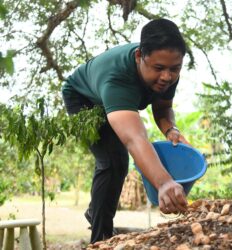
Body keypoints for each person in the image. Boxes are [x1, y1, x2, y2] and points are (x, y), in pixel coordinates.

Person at [61, 18, 190, 243]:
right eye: (159, 68)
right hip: (83, 99)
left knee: (117, 161)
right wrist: (165, 183)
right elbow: (134, 138)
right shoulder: (117, 78)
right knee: (113, 160)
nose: (167, 77)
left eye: (175, 69)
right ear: (140, 56)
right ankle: (100, 239)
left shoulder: (167, 72)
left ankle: (96, 211)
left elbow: (163, 108)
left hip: (107, 97)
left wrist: (171, 130)